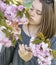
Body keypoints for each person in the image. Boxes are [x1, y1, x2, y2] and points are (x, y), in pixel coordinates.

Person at [0, 0, 56, 65]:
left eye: (38, 12)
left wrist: (28, 60)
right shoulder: (18, 29)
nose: (31, 13)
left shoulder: (52, 40)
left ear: (47, 17)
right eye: (31, 9)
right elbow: (2, 61)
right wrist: (11, 37)